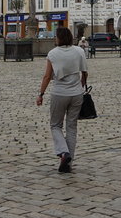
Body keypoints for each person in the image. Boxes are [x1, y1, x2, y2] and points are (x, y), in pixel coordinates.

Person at [36, 27, 88, 173]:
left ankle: (64, 153)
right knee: (71, 127)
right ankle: (68, 162)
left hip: (59, 93)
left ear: (58, 38)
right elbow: (84, 73)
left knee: (55, 125)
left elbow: (47, 76)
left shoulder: (53, 53)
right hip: (77, 93)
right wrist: (80, 87)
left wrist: (41, 94)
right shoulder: (79, 51)